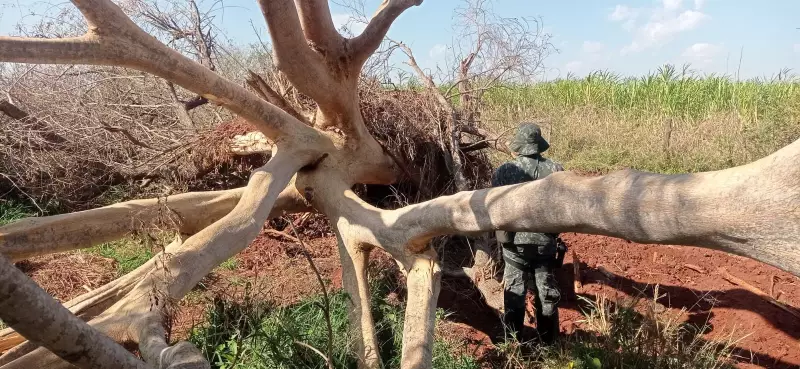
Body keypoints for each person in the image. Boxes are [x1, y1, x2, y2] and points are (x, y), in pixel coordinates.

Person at [491, 122, 566, 344]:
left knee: (514, 293)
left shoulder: (505, 170)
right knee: (547, 293)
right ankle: (549, 343)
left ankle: (512, 341)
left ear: (520, 145)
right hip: (545, 244)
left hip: (514, 246)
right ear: (539, 145)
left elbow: (495, 206)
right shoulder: (556, 170)